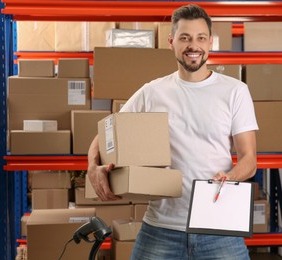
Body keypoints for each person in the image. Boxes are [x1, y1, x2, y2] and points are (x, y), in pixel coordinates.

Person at [87, 4, 258, 259]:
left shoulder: (234, 91)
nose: (194, 46)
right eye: (185, 38)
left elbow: (249, 160)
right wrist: (93, 166)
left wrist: (232, 175)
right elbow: (104, 137)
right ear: (171, 42)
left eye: (201, 38)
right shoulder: (152, 92)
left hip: (219, 228)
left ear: (210, 42)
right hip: (161, 228)